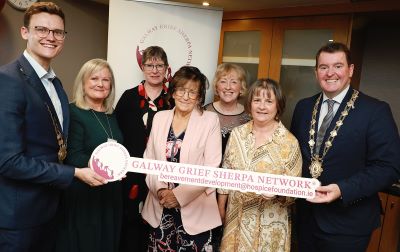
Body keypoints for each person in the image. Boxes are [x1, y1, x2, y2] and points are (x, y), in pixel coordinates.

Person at [0, 2, 106, 251]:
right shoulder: (8, 81)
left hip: (51, 211)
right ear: (25, 32)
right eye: (42, 29)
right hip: (19, 219)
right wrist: (74, 174)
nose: (51, 37)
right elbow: (8, 161)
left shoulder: (55, 83)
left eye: (58, 32)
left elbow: (56, 143)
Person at [290, 42, 400, 252]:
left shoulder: (375, 111)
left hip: (348, 223)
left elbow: (389, 167)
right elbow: (293, 157)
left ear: (350, 70)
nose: (330, 73)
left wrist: (342, 190)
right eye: (323, 67)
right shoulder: (303, 107)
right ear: (316, 72)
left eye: (338, 66)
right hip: (305, 219)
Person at [142, 66, 222, 251]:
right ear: (173, 92)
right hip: (160, 208)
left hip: (196, 212)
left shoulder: (210, 120)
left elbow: (211, 167)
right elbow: (149, 161)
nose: (186, 96)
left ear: (199, 96)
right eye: (181, 90)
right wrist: (161, 190)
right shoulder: (160, 118)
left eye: (192, 92)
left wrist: (178, 196)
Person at [218, 78, 302, 252]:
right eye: (257, 100)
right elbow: (225, 175)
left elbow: (295, 190)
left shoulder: (289, 142)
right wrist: (221, 210)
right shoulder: (237, 135)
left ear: (278, 106)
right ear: (249, 104)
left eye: (269, 101)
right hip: (236, 221)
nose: (262, 106)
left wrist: (278, 192)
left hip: (270, 228)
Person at [54, 59, 123, 252]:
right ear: (83, 82)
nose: (100, 84)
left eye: (106, 80)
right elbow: (72, 155)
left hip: (110, 195)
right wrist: (110, 169)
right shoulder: (73, 112)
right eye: (94, 78)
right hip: (85, 195)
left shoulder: (112, 115)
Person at [114, 46, 172, 252]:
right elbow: (115, 133)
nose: (155, 70)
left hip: (162, 175)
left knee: (159, 225)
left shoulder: (174, 99)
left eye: (159, 65)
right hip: (131, 174)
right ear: (142, 67)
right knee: (130, 224)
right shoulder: (128, 97)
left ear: (166, 68)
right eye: (150, 65)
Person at [204, 63, 251, 156]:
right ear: (216, 86)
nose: (228, 87)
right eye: (223, 81)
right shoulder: (204, 112)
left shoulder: (250, 116)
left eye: (233, 82)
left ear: (241, 87)